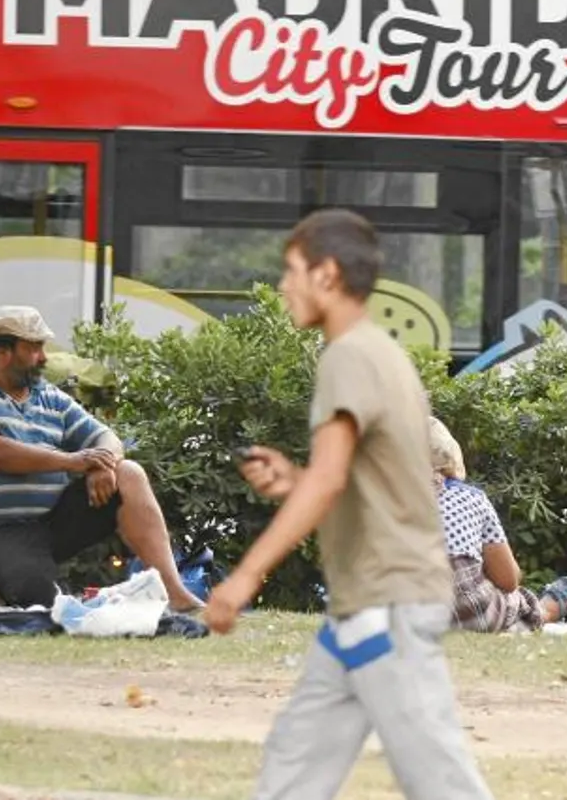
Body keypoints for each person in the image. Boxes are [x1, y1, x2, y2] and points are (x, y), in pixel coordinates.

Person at [205, 208, 493, 800]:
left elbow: (331, 479)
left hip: (387, 604)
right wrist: (295, 480)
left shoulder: (348, 356)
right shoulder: (377, 352)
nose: (283, 285)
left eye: (291, 271)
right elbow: (359, 479)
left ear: (327, 275)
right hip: (364, 607)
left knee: (438, 777)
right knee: (295, 758)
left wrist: (244, 578)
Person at [0, 306, 204, 612]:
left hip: (50, 524)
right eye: (34, 348)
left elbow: (107, 438)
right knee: (44, 603)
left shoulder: (49, 396)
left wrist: (104, 463)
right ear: (3, 351)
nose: (43, 358)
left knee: (128, 472)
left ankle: (174, 592)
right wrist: (73, 461)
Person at [430, 418, 567, 633]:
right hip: (467, 612)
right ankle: (544, 613)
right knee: (507, 598)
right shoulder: (470, 497)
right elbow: (508, 580)